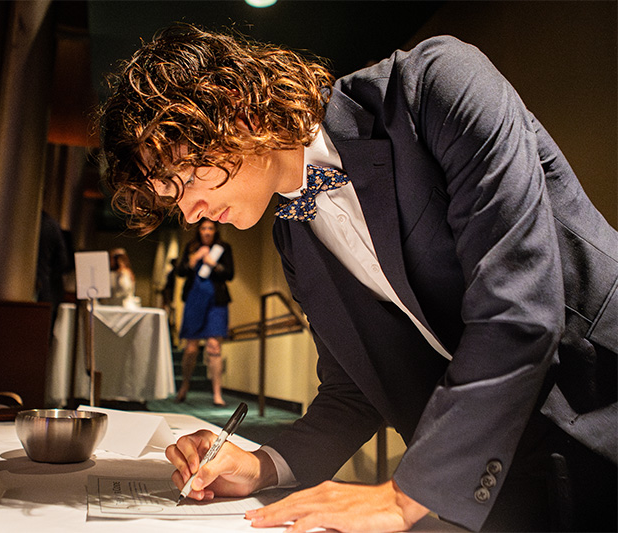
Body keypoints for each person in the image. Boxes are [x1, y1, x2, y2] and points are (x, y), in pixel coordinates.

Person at [99, 25, 617, 532]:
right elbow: (355, 388)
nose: (191, 213)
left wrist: (405, 495)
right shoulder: (293, 237)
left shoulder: (437, 86)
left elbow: (517, 310)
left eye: (188, 178)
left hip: (601, 395)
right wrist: (261, 465)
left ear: (237, 107)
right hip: (499, 468)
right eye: (175, 199)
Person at [174, 219, 234, 407]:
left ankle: (217, 393)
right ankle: (184, 385)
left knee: (214, 346)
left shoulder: (223, 247)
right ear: (199, 231)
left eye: (210, 228)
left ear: (215, 230)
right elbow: (180, 272)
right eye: (203, 228)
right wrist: (193, 260)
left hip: (216, 302)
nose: (207, 231)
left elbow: (230, 273)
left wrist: (213, 264)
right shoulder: (191, 247)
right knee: (191, 348)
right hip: (194, 300)